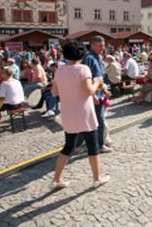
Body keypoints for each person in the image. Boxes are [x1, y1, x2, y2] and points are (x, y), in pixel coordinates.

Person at [50, 40, 110, 189]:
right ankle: (97, 178)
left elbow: (54, 92)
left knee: (68, 146)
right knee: (92, 145)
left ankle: (57, 179)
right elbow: (89, 91)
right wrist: (97, 82)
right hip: (84, 112)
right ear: (81, 54)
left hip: (68, 112)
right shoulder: (83, 69)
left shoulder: (59, 70)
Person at [80, 36, 112, 153]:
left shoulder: (97, 57)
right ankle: (96, 145)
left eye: (103, 46)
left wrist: (103, 90)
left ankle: (94, 144)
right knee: (96, 121)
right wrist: (93, 95)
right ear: (92, 45)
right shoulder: (89, 58)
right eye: (100, 46)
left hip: (97, 95)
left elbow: (98, 78)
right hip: (92, 96)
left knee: (97, 120)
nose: (102, 48)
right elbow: (87, 80)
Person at [0, 66, 25, 133]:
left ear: (5, 74)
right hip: (20, 103)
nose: (1, 74)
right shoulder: (17, 81)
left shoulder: (5, 83)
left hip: (12, 105)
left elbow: (2, 97)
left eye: (2, 73)